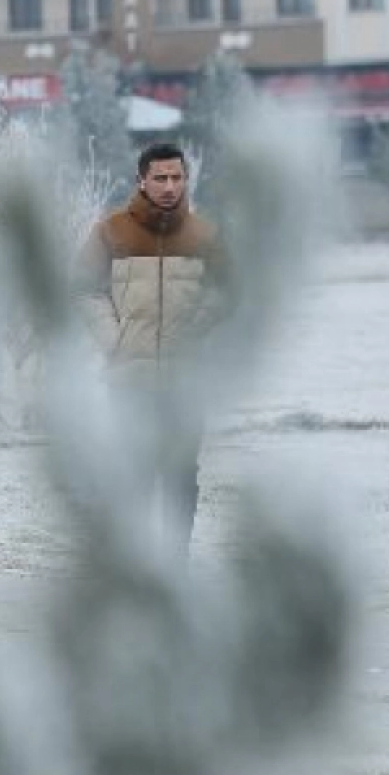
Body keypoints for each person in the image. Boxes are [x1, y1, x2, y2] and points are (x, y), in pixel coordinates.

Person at [75, 142, 231, 549]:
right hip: (129, 378)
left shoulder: (205, 234)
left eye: (176, 177)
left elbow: (228, 291)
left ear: (186, 180)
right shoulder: (110, 231)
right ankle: (138, 570)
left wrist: (197, 328)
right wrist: (115, 339)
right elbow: (84, 291)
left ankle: (175, 565)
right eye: (160, 178)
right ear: (141, 180)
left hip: (186, 380)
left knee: (181, 474)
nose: (169, 186)